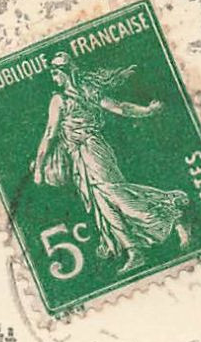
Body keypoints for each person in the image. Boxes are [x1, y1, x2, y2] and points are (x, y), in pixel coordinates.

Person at [31, 53, 190, 273]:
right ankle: (134, 251)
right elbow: (119, 107)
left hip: (94, 150)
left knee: (117, 194)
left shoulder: (67, 98)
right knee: (102, 203)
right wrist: (146, 111)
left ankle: (171, 212)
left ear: (65, 73)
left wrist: (147, 111)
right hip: (79, 158)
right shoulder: (76, 94)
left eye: (55, 72)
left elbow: (51, 133)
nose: (53, 77)